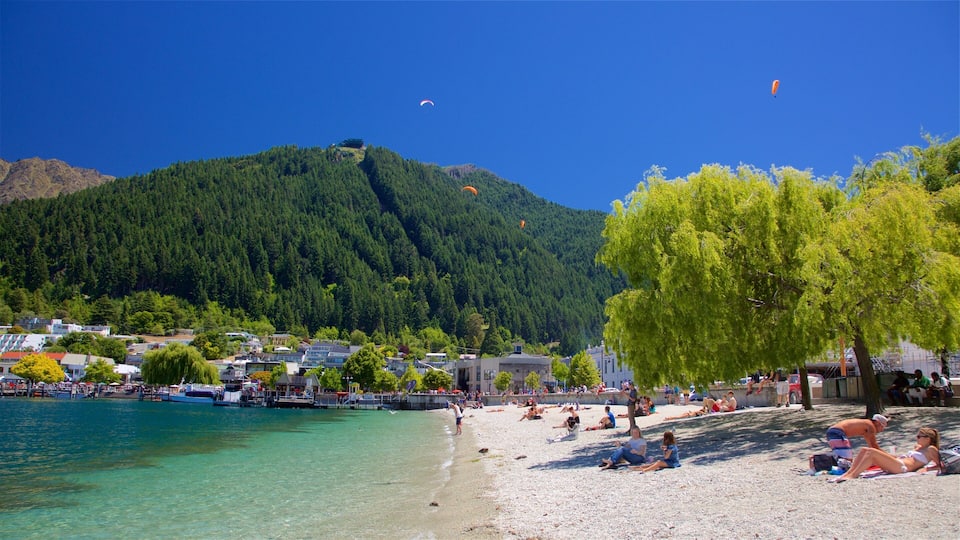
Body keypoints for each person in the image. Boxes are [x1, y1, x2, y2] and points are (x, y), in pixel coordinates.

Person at [831, 427, 941, 483]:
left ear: (927, 439)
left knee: (872, 452)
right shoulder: (920, 448)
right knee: (865, 449)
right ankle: (849, 473)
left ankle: (852, 475)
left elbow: (941, 465)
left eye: (919, 437)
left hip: (903, 467)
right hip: (899, 462)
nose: (917, 438)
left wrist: (926, 470)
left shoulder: (931, 449)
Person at [817, 414, 888, 468]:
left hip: (833, 431)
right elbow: (874, 446)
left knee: (844, 460)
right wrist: (891, 458)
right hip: (838, 432)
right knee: (847, 461)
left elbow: (872, 447)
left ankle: (818, 461)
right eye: (882, 427)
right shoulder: (870, 426)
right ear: (877, 423)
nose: (882, 430)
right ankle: (816, 460)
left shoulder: (866, 426)